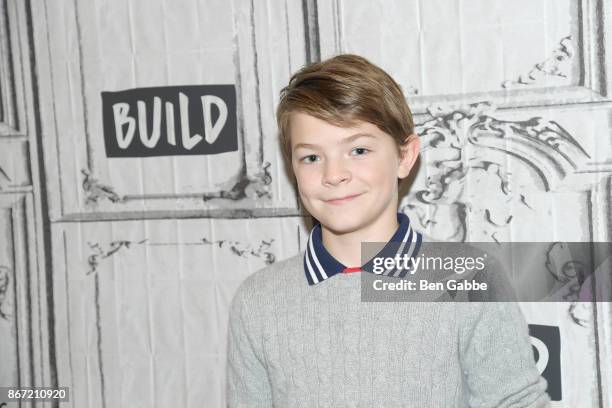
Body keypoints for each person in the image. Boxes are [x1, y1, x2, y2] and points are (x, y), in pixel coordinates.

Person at [226, 54, 551, 407]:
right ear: (292, 165)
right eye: (312, 157)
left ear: (405, 156)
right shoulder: (259, 299)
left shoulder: (467, 277)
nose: (334, 174)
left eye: (359, 150)